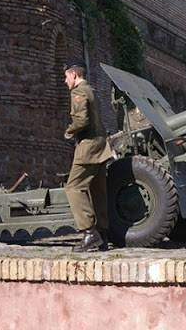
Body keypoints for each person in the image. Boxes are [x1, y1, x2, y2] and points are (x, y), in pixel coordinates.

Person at [63, 61, 112, 252]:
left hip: (88, 146)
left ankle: (89, 233)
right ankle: (103, 234)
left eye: (66, 77)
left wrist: (69, 131)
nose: (65, 81)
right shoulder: (92, 90)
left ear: (74, 75)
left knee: (73, 187)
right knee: (97, 190)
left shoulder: (78, 92)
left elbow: (81, 120)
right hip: (101, 144)